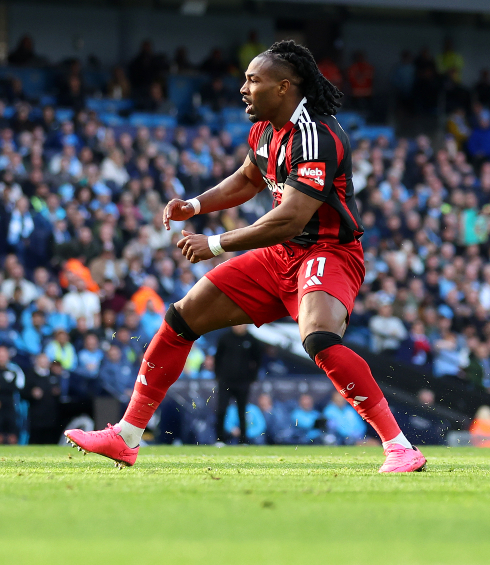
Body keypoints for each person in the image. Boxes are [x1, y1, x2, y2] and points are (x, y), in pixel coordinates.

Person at [66, 41, 426, 473]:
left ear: (284, 87)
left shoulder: (316, 136)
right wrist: (195, 205)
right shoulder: (264, 129)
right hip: (279, 255)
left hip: (327, 251)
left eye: (253, 80)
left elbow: (290, 218)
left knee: (319, 339)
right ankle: (125, 436)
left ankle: (400, 446)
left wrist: (215, 244)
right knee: (182, 317)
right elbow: (248, 178)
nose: (243, 88)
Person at [213, 324, 263, 444]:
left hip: (243, 382)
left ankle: (243, 440)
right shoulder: (225, 338)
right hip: (225, 381)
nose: (240, 326)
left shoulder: (251, 340)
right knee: (221, 409)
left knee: (242, 411)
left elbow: (258, 360)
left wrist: (252, 377)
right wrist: (218, 375)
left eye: (243, 324)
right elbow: (217, 358)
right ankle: (220, 439)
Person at [0, 345, 24, 445]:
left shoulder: (15, 371)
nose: (1, 357)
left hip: (11, 406)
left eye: (3, 355)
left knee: (12, 437)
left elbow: (19, 387)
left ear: (8, 356)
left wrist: (0, 387)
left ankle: (15, 459)